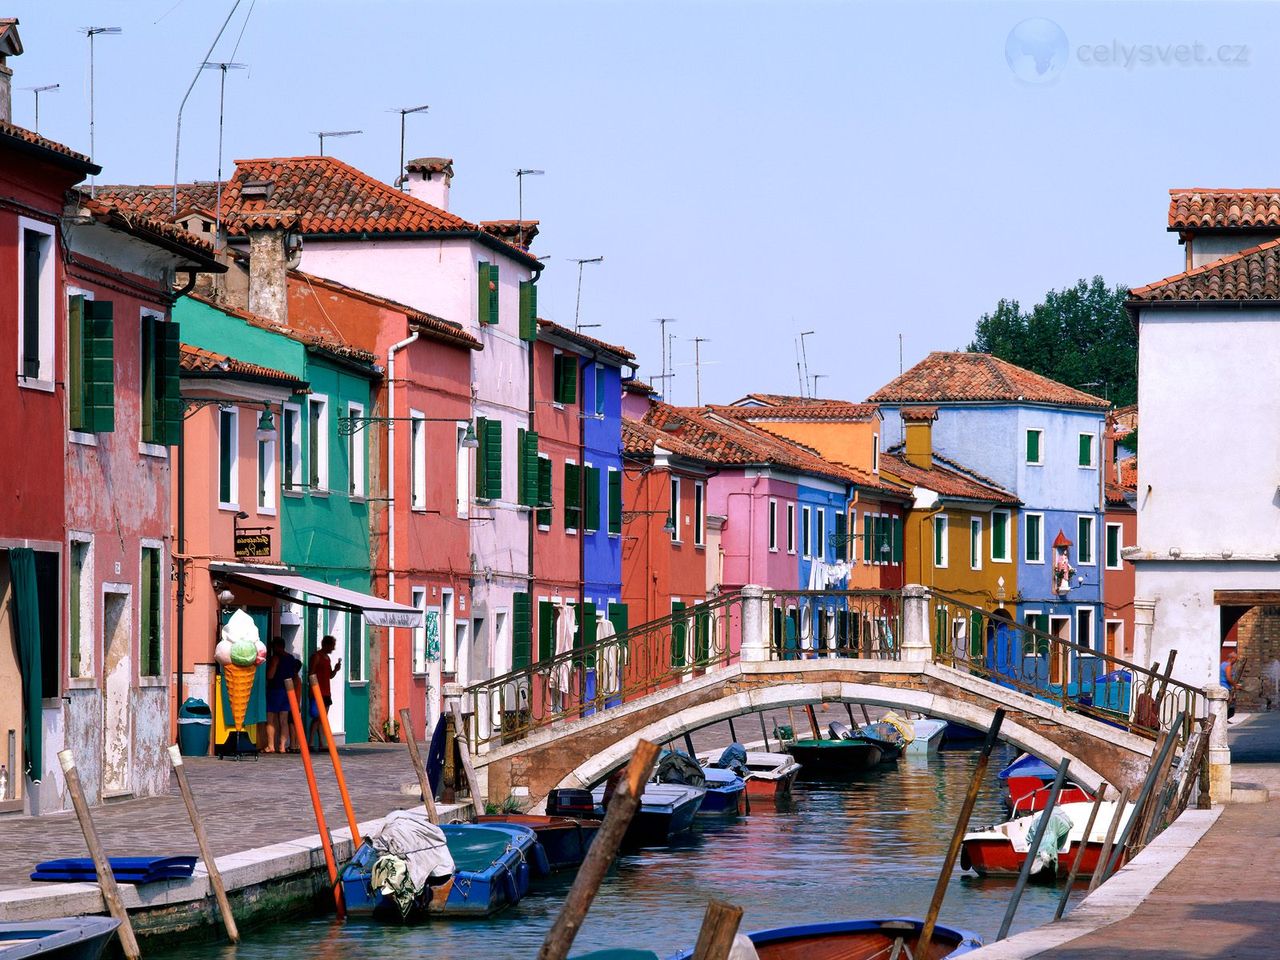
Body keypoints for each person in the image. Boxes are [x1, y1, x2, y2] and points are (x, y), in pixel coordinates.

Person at [264, 638, 301, 753]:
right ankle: (282, 746)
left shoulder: (276, 658)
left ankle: (271, 746)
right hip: (288, 691)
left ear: (276, 647)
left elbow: (270, 675)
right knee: (284, 720)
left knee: (270, 719)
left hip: (275, 690)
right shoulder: (291, 659)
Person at [308, 635, 342, 749]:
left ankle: (321, 743)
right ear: (326, 645)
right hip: (318, 692)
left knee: (323, 718)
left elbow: (330, 676)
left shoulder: (327, 658)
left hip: (327, 692)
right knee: (317, 717)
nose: (333, 649)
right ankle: (311, 742)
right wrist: (313, 689)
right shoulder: (317, 656)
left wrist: (336, 670)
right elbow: (311, 673)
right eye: (332, 646)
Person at [1221, 648, 1239, 719]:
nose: (1236, 661)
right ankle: (1224, 719)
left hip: (1223, 686)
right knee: (1229, 707)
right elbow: (1228, 678)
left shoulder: (1222, 664)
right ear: (1232, 658)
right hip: (1226, 687)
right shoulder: (1228, 666)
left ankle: (1224, 719)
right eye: (1236, 659)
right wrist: (1235, 685)